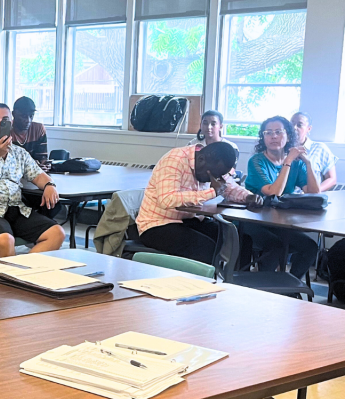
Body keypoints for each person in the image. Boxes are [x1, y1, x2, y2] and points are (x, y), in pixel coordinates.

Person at [0, 103, 64, 258]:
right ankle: (9, 279)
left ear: (11, 123)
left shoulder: (18, 152)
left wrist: (50, 185)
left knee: (57, 233)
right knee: (5, 240)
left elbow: (38, 174)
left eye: (5, 120)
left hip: (15, 208)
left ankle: (21, 274)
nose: (0, 124)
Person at [137, 142, 259, 264]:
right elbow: (167, 199)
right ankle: (208, 281)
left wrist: (248, 197)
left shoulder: (213, 164)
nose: (215, 179)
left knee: (240, 241)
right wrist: (212, 192)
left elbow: (229, 188)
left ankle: (236, 281)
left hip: (190, 220)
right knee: (205, 248)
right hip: (157, 224)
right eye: (213, 175)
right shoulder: (174, 160)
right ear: (201, 159)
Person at [242, 116, 320, 278]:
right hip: (253, 221)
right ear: (263, 138)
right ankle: (264, 287)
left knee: (310, 247)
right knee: (275, 246)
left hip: (280, 223)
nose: (274, 136)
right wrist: (288, 161)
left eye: (278, 132)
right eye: (268, 133)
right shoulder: (257, 161)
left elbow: (314, 193)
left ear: (289, 136)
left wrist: (308, 164)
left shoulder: (296, 163)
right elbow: (273, 192)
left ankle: (290, 285)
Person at [291, 112, 337, 192]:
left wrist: (315, 191)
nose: (294, 128)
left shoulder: (319, 148)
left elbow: (331, 178)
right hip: (285, 200)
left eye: (299, 125)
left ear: (308, 129)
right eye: (292, 124)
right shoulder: (282, 148)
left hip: (310, 199)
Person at [10, 96, 49, 165]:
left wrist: (44, 165)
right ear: (13, 114)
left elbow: (42, 158)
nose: (28, 120)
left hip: (34, 172)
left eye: (31, 116)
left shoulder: (39, 129)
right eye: (23, 116)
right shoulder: (6, 131)